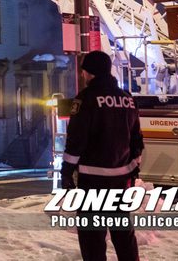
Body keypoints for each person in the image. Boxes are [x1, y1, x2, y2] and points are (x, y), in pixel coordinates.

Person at [62, 50, 144, 261]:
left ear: (91, 72)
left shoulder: (86, 99)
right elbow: (137, 140)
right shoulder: (128, 99)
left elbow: (76, 141)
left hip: (93, 181)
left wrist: (67, 173)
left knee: (92, 236)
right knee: (123, 233)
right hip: (120, 181)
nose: (82, 75)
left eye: (84, 71)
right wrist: (134, 169)